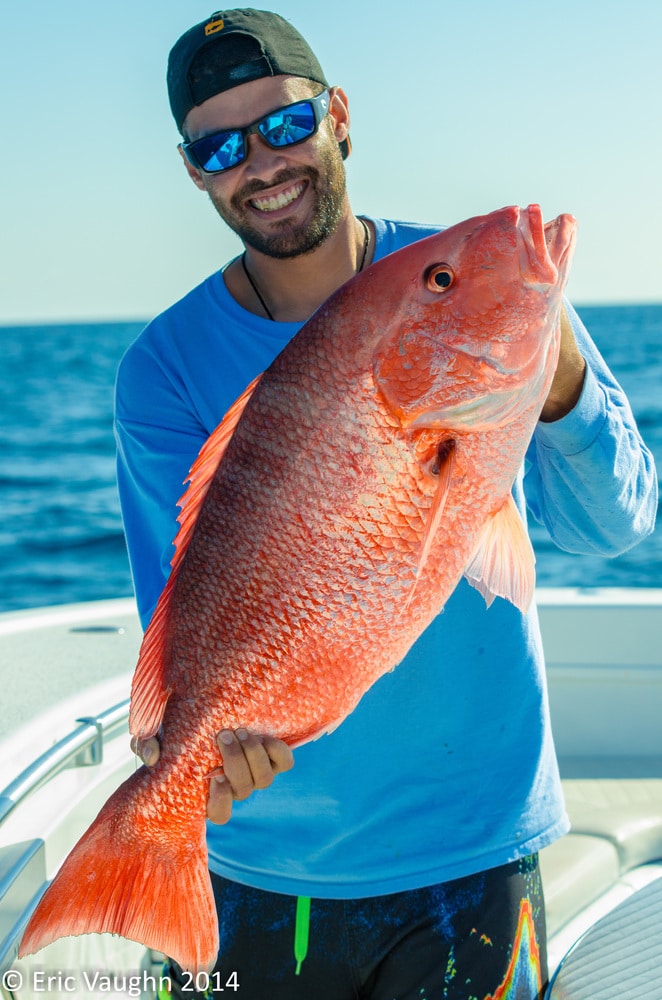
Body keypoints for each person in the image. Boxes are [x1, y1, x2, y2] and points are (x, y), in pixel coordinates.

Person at [114, 9, 657, 1000]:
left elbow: (614, 526)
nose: (261, 163)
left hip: (474, 855)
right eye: (220, 146)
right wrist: (190, 756)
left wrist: (561, 376)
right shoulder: (163, 369)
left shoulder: (478, 294)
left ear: (338, 117)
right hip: (254, 871)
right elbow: (181, 621)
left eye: (283, 124)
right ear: (195, 171)